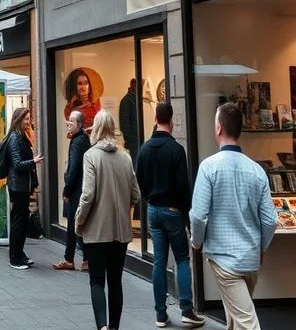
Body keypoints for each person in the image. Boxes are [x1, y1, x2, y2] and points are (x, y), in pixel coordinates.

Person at [190, 102, 276, 330]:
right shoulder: (257, 171)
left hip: (224, 258)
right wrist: (261, 248)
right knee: (236, 318)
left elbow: (198, 216)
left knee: (246, 322)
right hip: (250, 258)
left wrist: (196, 242)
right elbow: (270, 220)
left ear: (219, 128)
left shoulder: (208, 167)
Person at [136, 101, 204, 328]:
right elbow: (184, 187)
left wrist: (149, 200)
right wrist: (185, 216)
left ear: (155, 119)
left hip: (153, 209)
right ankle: (186, 309)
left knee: (159, 261)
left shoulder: (144, 149)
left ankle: (160, 314)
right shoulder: (176, 149)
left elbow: (140, 182)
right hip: (173, 210)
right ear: (171, 120)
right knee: (182, 259)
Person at [76, 110, 141, 330]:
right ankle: (114, 326)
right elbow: (136, 195)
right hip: (121, 231)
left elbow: (87, 194)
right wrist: (122, 207)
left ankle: (102, 326)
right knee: (115, 281)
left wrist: (79, 221)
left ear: (95, 128)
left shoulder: (91, 156)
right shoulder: (125, 156)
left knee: (96, 281)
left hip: (96, 230)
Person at [54, 109, 90, 272]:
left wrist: (67, 190)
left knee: (73, 224)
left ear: (80, 124)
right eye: (68, 120)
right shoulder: (82, 138)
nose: (69, 124)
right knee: (77, 224)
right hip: (80, 188)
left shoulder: (77, 141)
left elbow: (74, 167)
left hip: (76, 190)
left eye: (72, 121)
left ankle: (72, 259)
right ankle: (85, 259)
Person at [7, 107, 42, 269]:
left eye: (29, 119)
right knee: (18, 222)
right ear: (18, 120)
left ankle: (20, 254)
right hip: (18, 186)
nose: (28, 122)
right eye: (26, 119)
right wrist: (33, 161)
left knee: (21, 221)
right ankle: (14, 258)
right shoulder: (14, 138)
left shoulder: (22, 135)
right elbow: (17, 164)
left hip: (23, 185)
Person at [119, 79, 140, 168]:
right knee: (135, 165)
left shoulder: (135, 99)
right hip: (133, 141)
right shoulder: (127, 100)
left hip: (136, 139)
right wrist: (130, 139)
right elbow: (125, 123)